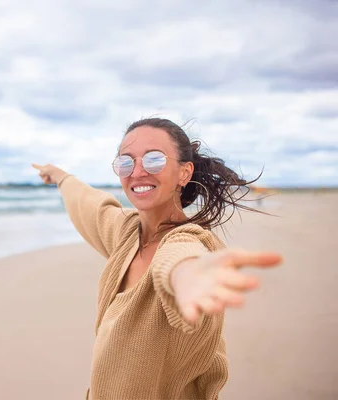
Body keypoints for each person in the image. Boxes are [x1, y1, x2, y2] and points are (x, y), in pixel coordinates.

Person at [32, 118, 282, 400]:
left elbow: (179, 259)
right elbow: (91, 205)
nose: (137, 172)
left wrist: (188, 276)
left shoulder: (188, 241)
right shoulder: (128, 234)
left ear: (184, 173)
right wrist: (60, 177)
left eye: (154, 160)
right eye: (126, 162)